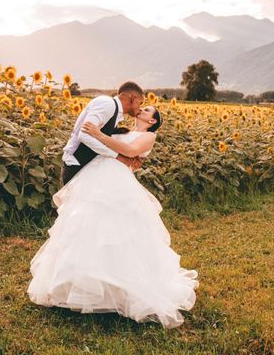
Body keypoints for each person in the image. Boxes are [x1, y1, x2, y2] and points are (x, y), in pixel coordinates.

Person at [27, 98, 199, 329]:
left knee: (119, 232)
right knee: (86, 227)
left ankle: (120, 289)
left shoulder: (149, 136)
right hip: (96, 177)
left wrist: (98, 134)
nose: (143, 108)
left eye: (148, 109)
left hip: (118, 183)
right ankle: (79, 283)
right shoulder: (122, 130)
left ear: (152, 120)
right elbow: (115, 149)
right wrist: (101, 137)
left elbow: (129, 150)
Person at [60, 81, 145, 186]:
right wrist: (117, 156)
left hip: (86, 168)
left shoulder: (114, 111)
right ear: (133, 98)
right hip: (76, 166)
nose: (140, 108)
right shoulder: (107, 104)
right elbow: (84, 135)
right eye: (140, 103)